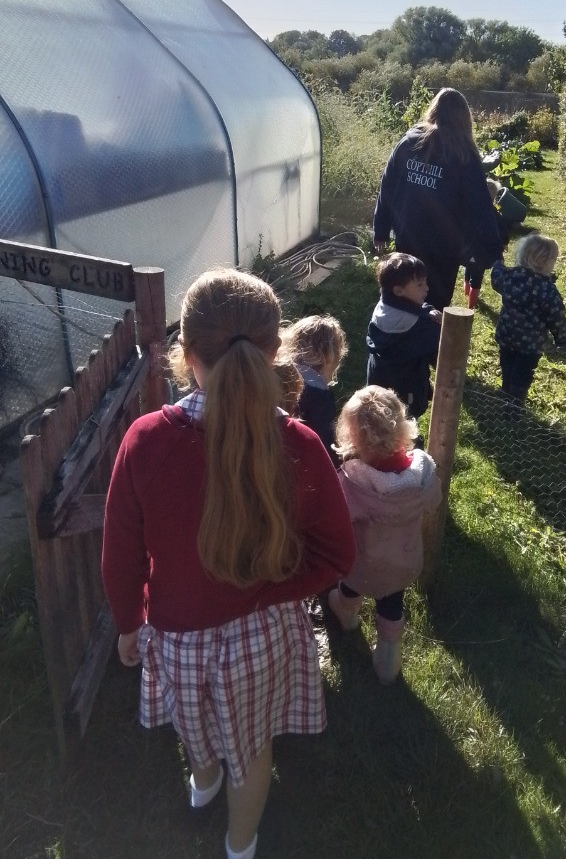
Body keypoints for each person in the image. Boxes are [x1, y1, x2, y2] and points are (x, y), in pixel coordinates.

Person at [102, 269, 356, 859]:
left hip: (176, 634)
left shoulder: (145, 440)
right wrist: (268, 592)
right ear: (275, 352)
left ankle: (203, 780)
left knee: (194, 725)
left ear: (186, 355)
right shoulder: (298, 444)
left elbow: (121, 554)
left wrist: (127, 621)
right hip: (262, 639)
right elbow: (337, 553)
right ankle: (239, 845)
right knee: (253, 747)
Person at [327, 386, 442, 684]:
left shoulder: (353, 481)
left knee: (352, 585)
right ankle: (389, 660)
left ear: (352, 436)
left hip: (362, 562)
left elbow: (338, 521)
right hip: (404, 559)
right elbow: (434, 501)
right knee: (392, 601)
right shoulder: (422, 473)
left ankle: (347, 612)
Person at [373, 87, 504, 310]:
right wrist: (494, 250)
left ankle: (397, 336)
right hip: (445, 246)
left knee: (403, 292)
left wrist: (381, 230)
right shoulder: (464, 153)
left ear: (433, 110)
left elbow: (387, 187)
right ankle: (429, 340)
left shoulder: (408, 143)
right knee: (434, 300)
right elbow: (480, 206)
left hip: (407, 237)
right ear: (464, 118)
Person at [490, 234, 566, 407]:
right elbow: (556, 317)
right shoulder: (547, 290)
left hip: (507, 334)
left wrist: (497, 262)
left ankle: (505, 390)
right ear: (547, 263)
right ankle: (515, 404)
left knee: (507, 364)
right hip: (530, 344)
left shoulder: (510, 277)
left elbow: (496, 278)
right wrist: (562, 338)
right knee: (523, 373)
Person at [366, 252, 442, 420]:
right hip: (407, 390)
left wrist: (427, 310)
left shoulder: (385, 306)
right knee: (404, 421)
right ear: (399, 291)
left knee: (381, 418)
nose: (427, 288)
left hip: (378, 382)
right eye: (420, 284)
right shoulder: (415, 326)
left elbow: (411, 307)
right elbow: (438, 342)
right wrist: (440, 325)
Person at [279, 314, 348, 464]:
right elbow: (322, 442)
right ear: (331, 356)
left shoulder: (279, 376)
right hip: (301, 465)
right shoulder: (320, 397)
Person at [462, 178, 514, 309]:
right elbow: (504, 235)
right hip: (483, 255)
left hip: (469, 251)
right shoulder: (495, 216)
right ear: (494, 197)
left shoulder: (471, 212)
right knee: (476, 281)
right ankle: (471, 306)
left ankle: (466, 293)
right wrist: (504, 243)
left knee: (468, 272)